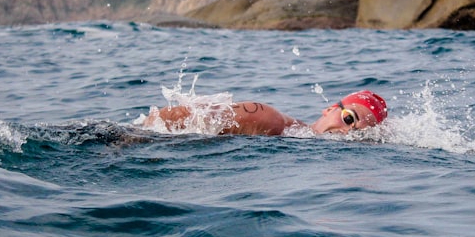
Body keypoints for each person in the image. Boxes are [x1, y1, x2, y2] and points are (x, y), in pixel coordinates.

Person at [141, 89, 388, 136]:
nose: (347, 132)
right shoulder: (270, 121)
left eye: (360, 134)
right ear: (330, 109)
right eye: (349, 119)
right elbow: (163, 120)